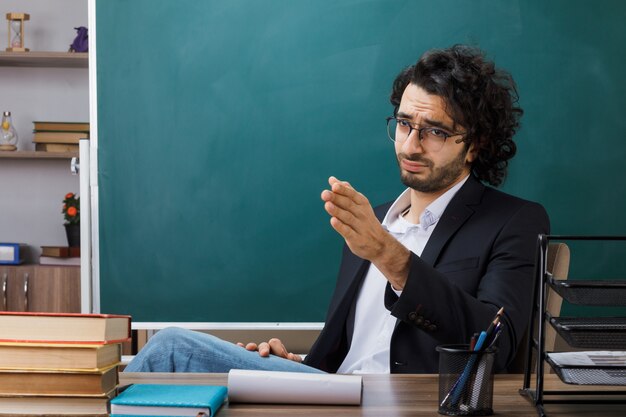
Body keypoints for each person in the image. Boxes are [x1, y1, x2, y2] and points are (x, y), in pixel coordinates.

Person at [125, 44, 549, 374]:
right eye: (404, 124)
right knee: (176, 369)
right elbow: (346, 357)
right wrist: (296, 366)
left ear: (475, 144)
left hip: (411, 401)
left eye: (434, 131)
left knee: (169, 349)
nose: (410, 145)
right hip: (334, 394)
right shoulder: (372, 221)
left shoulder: (513, 221)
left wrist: (390, 256)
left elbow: (495, 342)